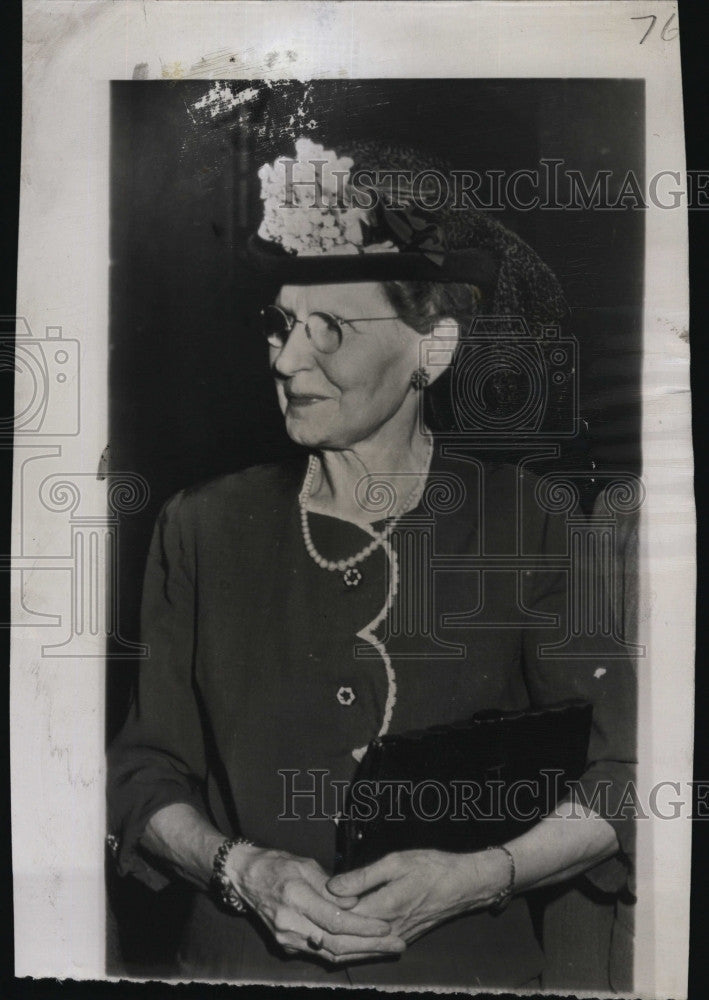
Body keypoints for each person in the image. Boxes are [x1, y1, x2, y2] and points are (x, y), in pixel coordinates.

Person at [107, 137, 636, 988]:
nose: (286, 359)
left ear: (432, 349)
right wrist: (241, 870)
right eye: (281, 324)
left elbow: (624, 776)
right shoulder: (200, 527)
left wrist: (476, 877)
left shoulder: (526, 521)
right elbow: (142, 774)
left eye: (330, 328)